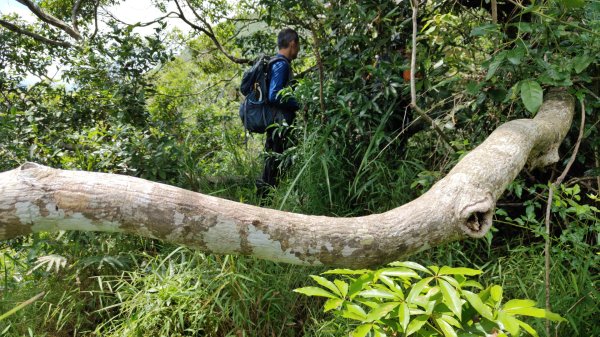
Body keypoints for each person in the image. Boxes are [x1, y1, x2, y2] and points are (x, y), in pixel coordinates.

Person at [256, 28, 300, 198]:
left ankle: (266, 202)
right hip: (279, 124)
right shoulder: (281, 64)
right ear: (292, 43)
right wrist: (298, 103)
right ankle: (264, 204)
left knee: (273, 164)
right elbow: (274, 94)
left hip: (276, 122)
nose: (298, 50)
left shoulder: (277, 63)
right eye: (298, 46)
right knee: (273, 165)